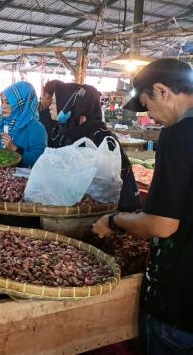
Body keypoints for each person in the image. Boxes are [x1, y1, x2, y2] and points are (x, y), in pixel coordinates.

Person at [92, 58, 193, 355]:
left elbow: (161, 224)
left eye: (148, 104)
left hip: (178, 305)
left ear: (162, 91)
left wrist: (114, 221)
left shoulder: (179, 136)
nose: (150, 115)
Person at [49, 83, 140, 211]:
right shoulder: (62, 132)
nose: (50, 107)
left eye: (54, 103)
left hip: (100, 214)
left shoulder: (102, 138)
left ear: (69, 106)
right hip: (67, 209)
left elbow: (106, 185)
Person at [0, 81, 47, 168]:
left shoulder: (36, 128)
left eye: (8, 102)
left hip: (21, 178)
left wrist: (14, 148)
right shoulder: (4, 122)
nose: (3, 106)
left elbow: (39, 160)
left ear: (22, 104)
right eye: (2, 102)